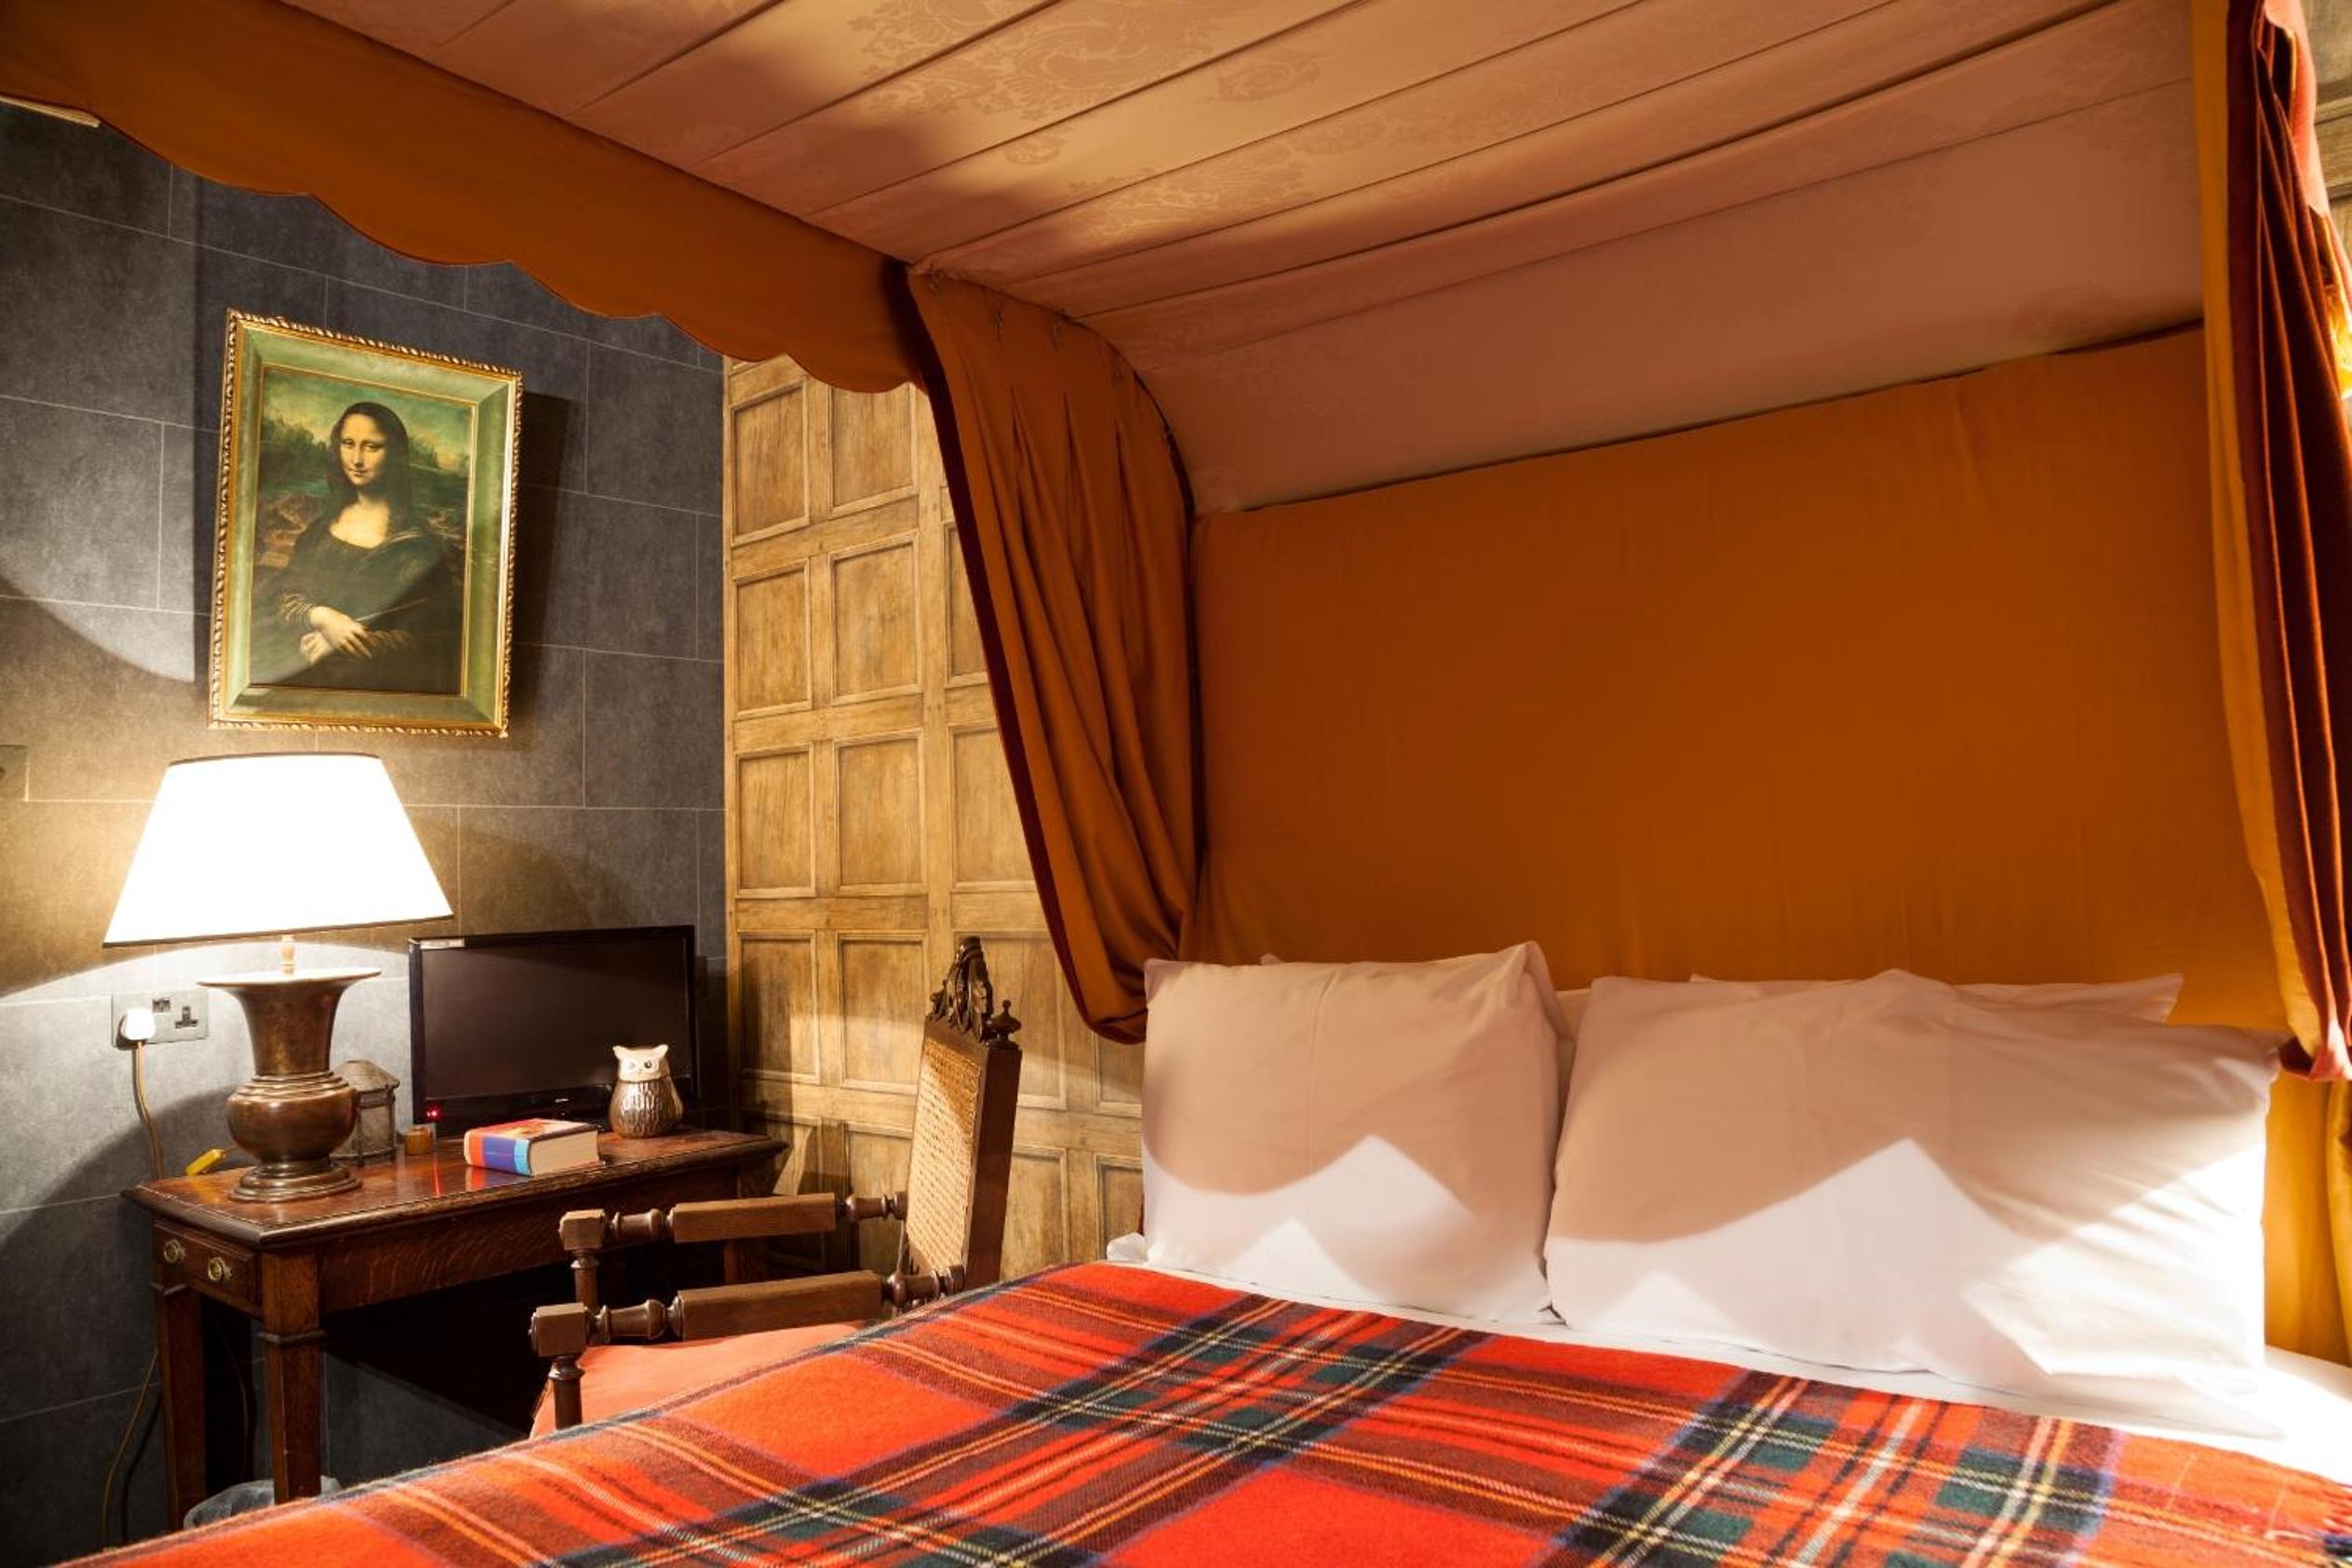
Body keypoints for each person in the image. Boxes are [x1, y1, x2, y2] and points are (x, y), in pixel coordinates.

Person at [262, 400, 462, 694]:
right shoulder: (322, 527)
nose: (356, 459)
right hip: (298, 674)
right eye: (348, 444)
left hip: (370, 688)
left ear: (394, 454)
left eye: (371, 447)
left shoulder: (417, 547)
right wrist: (321, 617)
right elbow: (284, 592)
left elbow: (430, 640)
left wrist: (344, 642)